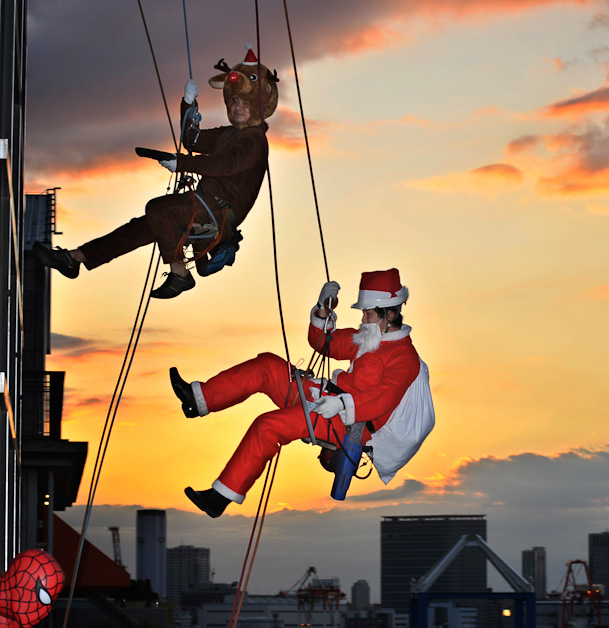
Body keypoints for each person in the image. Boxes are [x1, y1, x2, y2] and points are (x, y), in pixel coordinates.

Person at [173, 268, 435, 517]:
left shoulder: (403, 356)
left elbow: (382, 398)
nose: (363, 319)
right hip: (326, 400)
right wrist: (323, 309)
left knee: (268, 426)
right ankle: (197, 400)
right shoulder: (369, 335)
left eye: (368, 313)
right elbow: (324, 343)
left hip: (348, 422)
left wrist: (343, 405)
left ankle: (219, 498)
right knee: (266, 366)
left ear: (389, 315)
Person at [33, 47, 279, 298]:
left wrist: (181, 164)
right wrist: (188, 105)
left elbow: (225, 164)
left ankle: (179, 274)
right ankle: (75, 258)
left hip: (219, 212)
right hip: (206, 207)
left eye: (245, 102)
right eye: (234, 101)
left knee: (158, 209)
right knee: (142, 227)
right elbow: (192, 141)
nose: (237, 107)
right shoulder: (230, 134)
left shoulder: (254, 140)